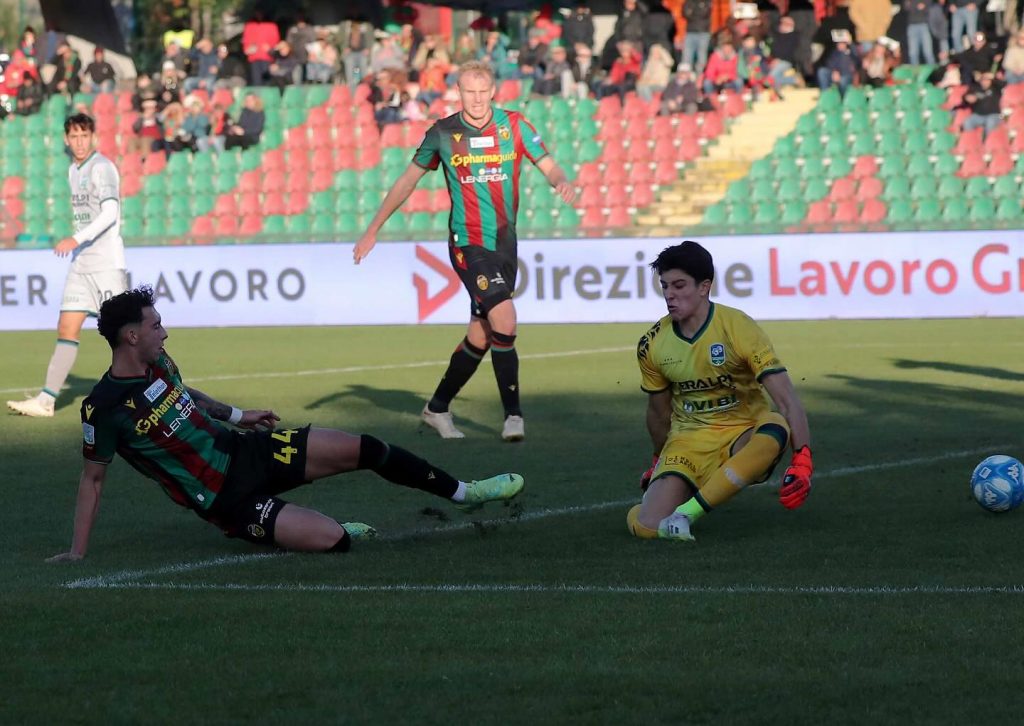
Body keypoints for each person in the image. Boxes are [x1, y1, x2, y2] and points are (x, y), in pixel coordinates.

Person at [46, 286, 525, 562]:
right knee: (333, 541)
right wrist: (76, 554)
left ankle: (465, 494)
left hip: (245, 450)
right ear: (131, 336)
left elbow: (183, 395)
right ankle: (333, 528)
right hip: (227, 501)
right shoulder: (103, 408)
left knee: (367, 448)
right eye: (155, 326)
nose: (164, 331)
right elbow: (92, 481)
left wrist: (238, 414)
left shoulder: (159, 362)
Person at [354, 60, 576, 442]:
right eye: (468, 92)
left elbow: (548, 164)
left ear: (493, 91)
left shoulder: (515, 125)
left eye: (482, 91)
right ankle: (514, 418)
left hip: (506, 242)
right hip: (467, 243)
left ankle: (436, 408)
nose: (475, 99)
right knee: (505, 320)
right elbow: (407, 181)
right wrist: (372, 230)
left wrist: (560, 181)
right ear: (459, 93)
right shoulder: (443, 133)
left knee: (481, 335)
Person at [626, 241, 813, 542]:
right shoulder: (652, 343)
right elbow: (658, 414)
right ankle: (662, 504)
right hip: (688, 443)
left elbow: (786, 399)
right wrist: (657, 461)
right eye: (664, 286)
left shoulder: (737, 326)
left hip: (742, 436)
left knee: (776, 426)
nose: (670, 295)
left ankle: (686, 514)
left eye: (679, 285)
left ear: (704, 287)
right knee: (647, 528)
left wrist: (802, 460)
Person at [8, 114, 128, 418]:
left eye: (84, 135)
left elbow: (110, 212)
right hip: (81, 265)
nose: (79, 142)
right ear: (66, 139)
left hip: (106, 265)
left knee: (125, 336)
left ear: (93, 137)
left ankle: (149, 395)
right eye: (74, 136)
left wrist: (76, 238)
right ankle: (47, 401)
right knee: (66, 327)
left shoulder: (102, 167)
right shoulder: (73, 170)